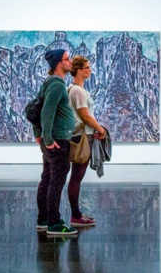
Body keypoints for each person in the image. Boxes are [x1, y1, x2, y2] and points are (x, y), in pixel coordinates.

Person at [33, 49, 77, 236]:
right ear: (59, 63)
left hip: (53, 139)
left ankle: (43, 220)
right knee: (56, 181)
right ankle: (54, 223)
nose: (71, 61)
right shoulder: (57, 85)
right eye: (67, 59)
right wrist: (48, 139)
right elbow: (46, 112)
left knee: (48, 178)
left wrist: (39, 134)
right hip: (57, 140)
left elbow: (36, 106)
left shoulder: (49, 82)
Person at [67, 55, 106, 227]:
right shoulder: (78, 91)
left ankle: (77, 214)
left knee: (77, 176)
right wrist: (101, 129)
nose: (90, 70)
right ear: (80, 70)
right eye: (87, 67)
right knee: (77, 176)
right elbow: (85, 116)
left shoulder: (74, 89)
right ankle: (76, 215)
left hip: (83, 135)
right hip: (83, 137)